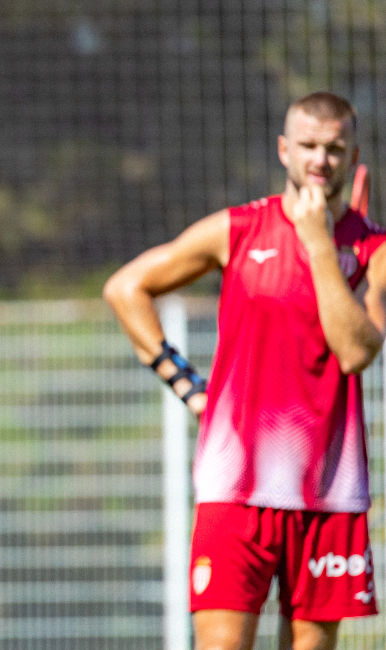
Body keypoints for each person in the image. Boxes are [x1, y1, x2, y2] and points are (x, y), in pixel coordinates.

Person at [104, 92, 385, 650]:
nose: (319, 160)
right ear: (285, 149)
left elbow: (357, 350)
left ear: (353, 157)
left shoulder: (374, 249)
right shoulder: (238, 230)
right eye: (307, 145)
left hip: (327, 495)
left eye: (334, 149)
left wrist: (320, 246)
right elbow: (125, 288)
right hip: (235, 490)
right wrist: (186, 384)